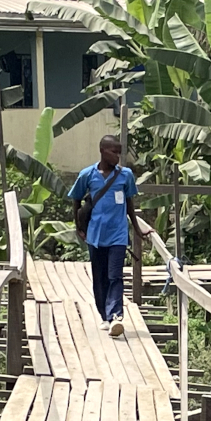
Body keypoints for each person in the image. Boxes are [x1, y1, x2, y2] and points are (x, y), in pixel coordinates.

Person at [67, 135, 152, 337]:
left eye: (119, 152)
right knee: (99, 277)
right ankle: (104, 315)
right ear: (103, 151)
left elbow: (130, 204)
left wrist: (137, 230)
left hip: (118, 234)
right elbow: (76, 200)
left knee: (115, 275)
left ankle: (116, 315)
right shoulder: (87, 175)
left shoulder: (126, 175)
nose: (118, 157)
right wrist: (79, 226)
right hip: (95, 234)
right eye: (114, 152)